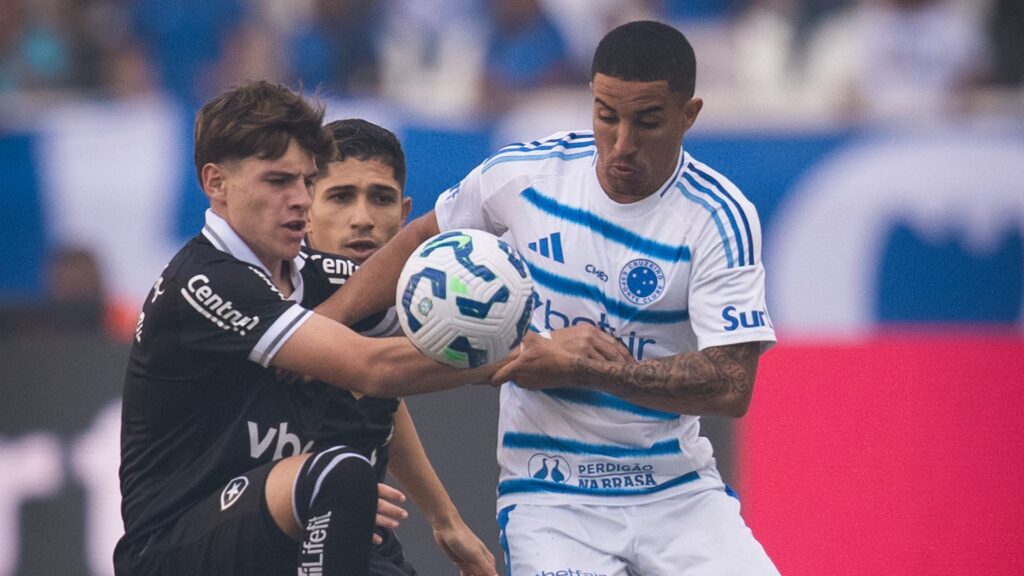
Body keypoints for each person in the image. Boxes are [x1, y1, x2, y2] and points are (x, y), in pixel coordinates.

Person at [324, 20, 780, 575]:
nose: (622, 143)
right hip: (550, 492)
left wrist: (582, 367)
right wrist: (322, 324)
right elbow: (424, 234)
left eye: (648, 121)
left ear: (689, 114)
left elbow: (732, 384)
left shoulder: (718, 217)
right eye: (606, 116)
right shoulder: (523, 177)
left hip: (677, 490)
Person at [115, 81, 503, 576]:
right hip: (177, 550)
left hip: (281, 527)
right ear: (216, 183)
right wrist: (500, 349)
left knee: (343, 481)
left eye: (305, 181)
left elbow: (397, 361)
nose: (300, 199)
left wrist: (445, 518)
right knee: (339, 474)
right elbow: (373, 369)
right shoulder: (204, 280)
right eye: (278, 181)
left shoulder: (319, 274)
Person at [298, 118, 496, 575]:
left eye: (381, 198)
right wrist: (516, 353)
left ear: (405, 212)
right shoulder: (282, 291)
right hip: (289, 538)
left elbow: (380, 395)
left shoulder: (393, 303)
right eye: (341, 196)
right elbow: (375, 371)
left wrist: (446, 520)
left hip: (364, 537)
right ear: (304, 207)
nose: (363, 217)